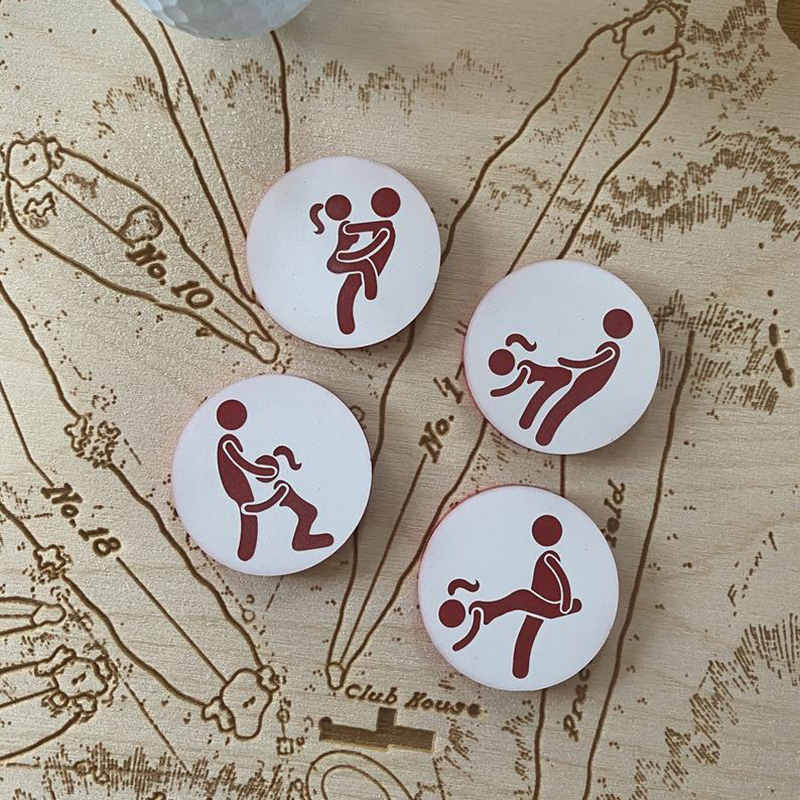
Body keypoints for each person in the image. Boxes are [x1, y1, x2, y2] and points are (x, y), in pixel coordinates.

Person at [438, 515, 581, 679]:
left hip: (552, 605)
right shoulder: (544, 557)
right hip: (542, 604)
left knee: (521, 596)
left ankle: (490, 610)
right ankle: (520, 671)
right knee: (526, 634)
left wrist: (566, 603)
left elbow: (562, 579)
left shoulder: (548, 557)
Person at [488, 308, 634, 446]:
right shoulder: (609, 345)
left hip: (589, 384)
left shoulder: (611, 348)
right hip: (585, 380)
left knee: (564, 404)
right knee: (563, 386)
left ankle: (541, 435)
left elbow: (589, 362)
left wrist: (567, 362)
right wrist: (567, 362)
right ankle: (533, 426)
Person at [215, 399, 332, 560]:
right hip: (245, 492)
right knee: (298, 506)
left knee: (307, 510)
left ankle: (301, 539)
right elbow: (244, 465)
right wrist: (267, 472)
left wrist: (267, 472)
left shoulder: (231, 440)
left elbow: (247, 466)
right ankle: (298, 539)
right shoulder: (228, 442)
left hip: (253, 492)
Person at [309, 188, 401, 334]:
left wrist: (346, 254)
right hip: (355, 260)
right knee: (346, 281)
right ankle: (348, 325)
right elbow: (360, 240)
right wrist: (346, 243)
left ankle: (366, 276)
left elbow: (369, 249)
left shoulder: (386, 230)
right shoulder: (381, 228)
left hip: (358, 261)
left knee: (342, 271)